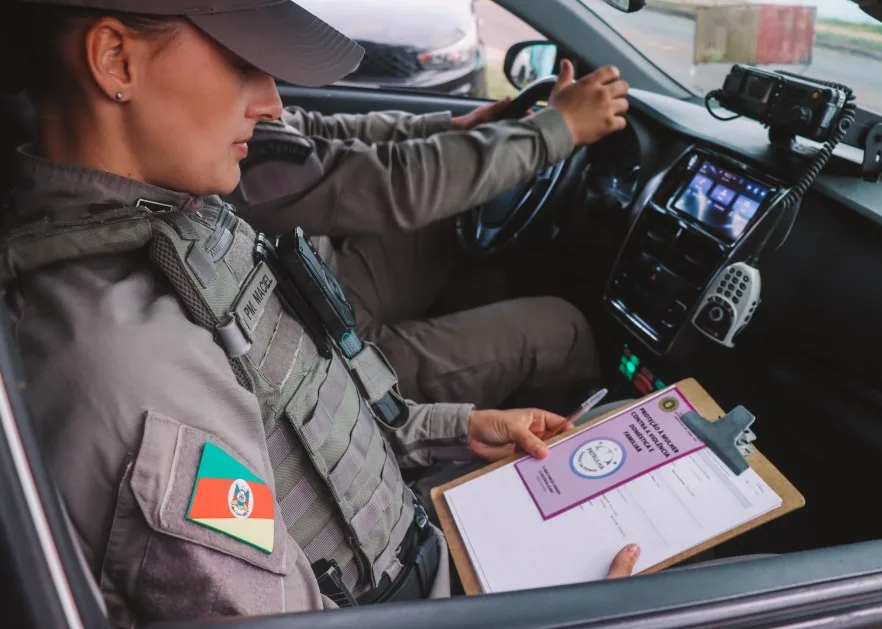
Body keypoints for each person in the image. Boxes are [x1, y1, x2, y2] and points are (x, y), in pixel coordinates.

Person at [0, 0, 640, 626]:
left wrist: (452, 429)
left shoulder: (180, 221)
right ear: (116, 60)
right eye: (241, 64)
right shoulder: (125, 365)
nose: (272, 103)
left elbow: (295, 415)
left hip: (410, 538)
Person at [229, 55, 631, 411]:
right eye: (242, 72)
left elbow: (308, 129)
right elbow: (394, 184)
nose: (273, 99)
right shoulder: (235, 166)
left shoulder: (235, 126)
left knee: (453, 228)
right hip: (327, 357)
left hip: (322, 282)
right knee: (565, 331)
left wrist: (450, 126)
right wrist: (559, 129)